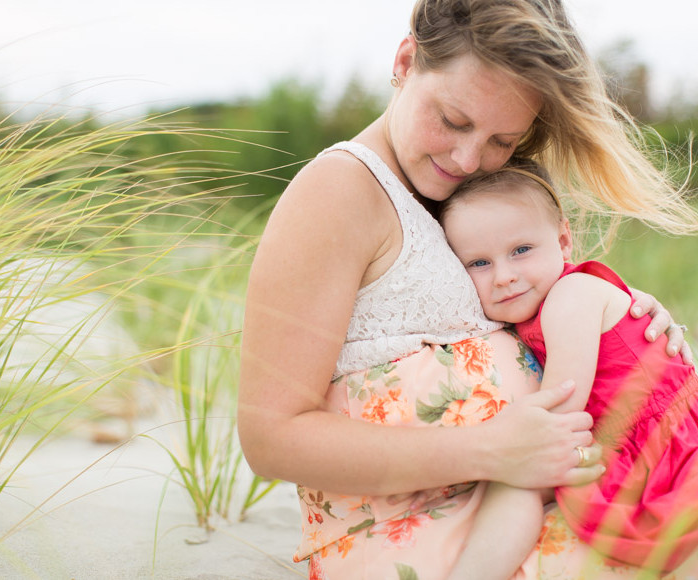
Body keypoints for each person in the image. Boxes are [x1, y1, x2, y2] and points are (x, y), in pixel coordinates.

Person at [237, 0, 696, 577]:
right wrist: (494, 450)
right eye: (453, 120)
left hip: (527, 508)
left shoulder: (468, 193)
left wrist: (627, 321)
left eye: (503, 140)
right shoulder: (340, 191)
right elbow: (269, 437)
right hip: (430, 539)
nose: (468, 158)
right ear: (406, 61)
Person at [440, 159, 698, 579]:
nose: (504, 276)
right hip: (641, 438)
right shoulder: (541, 301)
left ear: (563, 241)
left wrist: (496, 447)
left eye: (521, 251)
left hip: (667, 447)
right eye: (478, 263)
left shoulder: (570, 296)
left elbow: (563, 408)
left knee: (518, 478)